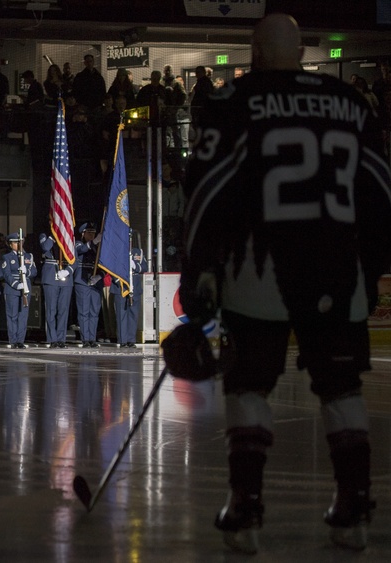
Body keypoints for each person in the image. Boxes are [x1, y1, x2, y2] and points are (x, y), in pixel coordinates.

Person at [169, 14, 391, 554]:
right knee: (341, 386)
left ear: (256, 49)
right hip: (336, 269)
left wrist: (200, 267)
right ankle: (354, 506)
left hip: (257, 267)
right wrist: (371, 266)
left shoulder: (232, 100)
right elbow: (380, 190)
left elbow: (206, 189)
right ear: (302, 49)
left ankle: (245, 508)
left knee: (249, 384)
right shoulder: (351, 104)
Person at [0, 232, 36, 349]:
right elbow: (7, 274)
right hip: (12, 289)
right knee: (12, 315)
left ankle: (20, 340)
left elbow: (34, 271)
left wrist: (27, 272)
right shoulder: (7, 257)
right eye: (15, 243)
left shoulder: (28, 256)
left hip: (26, 288)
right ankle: (13, 340)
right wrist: (16, 285)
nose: (18, 244)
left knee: (23, 315)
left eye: (20, 242)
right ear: (11, 245)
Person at [39, 234, 75, 348]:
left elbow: (75, 259)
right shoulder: (44, 236)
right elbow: (45, 247)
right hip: (50, 277)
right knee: (51, 310)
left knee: (63, 310)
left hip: (65, 277)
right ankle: (52, 338)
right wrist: (54, 235)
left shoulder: (67, 235)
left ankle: (61, 339)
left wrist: (68, 271)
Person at [73, 222, 103, 347]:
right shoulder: (79, 244)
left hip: (95, 282)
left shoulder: (98, 247)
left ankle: (92, 338)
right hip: (82, 281)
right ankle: (85, 338)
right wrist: (94, 242)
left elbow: (103, 263)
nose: (91, 235)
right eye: (89, 233)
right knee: (84, 311)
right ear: (83, 234)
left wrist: (99, 276)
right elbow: (81, 250)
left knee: (94, 311)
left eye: (93, 233)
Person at [112, 247, 147, 348]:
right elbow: (111, 268)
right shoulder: (117, 251)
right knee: (121, 314)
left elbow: (144, 267)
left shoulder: (138, 251)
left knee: (133, 314)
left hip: (135, 287)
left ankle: (131, 340)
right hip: (121, 287)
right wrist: (119, 281)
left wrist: (134, 265)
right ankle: (123, 340)